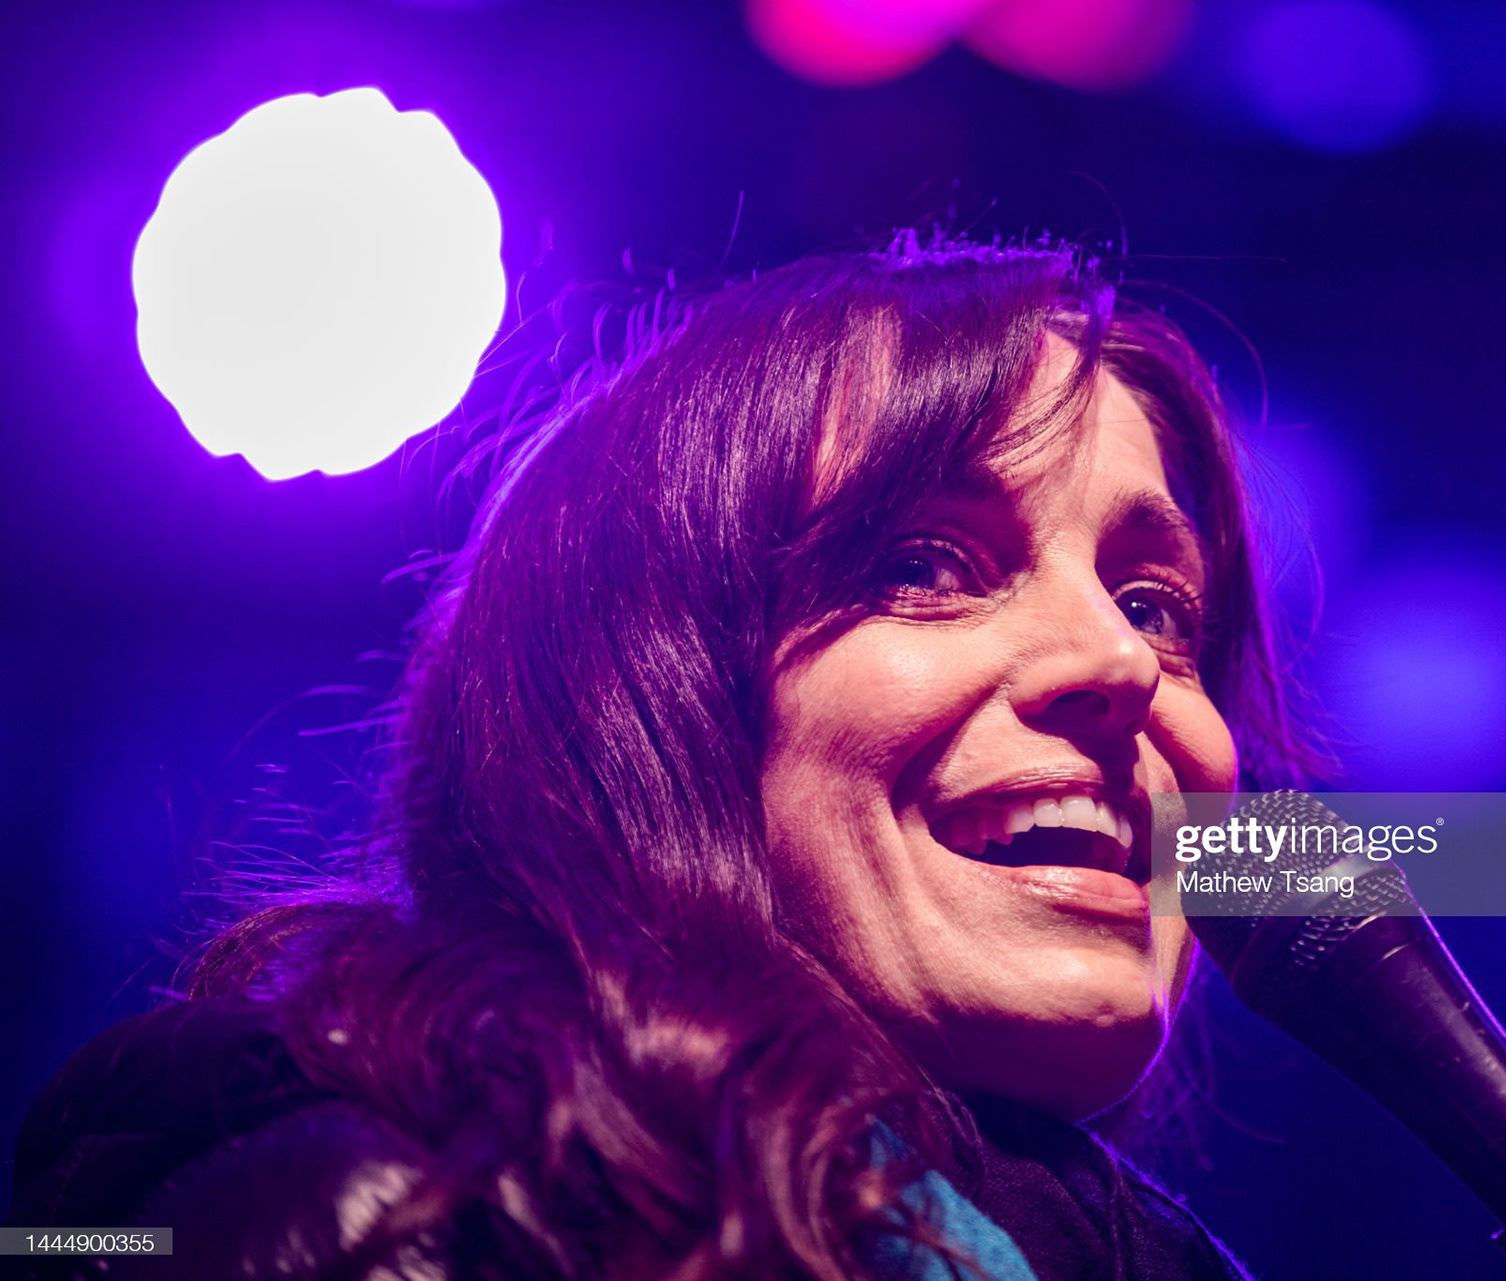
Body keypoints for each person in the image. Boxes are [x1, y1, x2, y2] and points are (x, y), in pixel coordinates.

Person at [8, 236, 1323, 1279]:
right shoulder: (380, 1215)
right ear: (648, 714)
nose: (1120, 661)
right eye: (928, 565)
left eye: (1157, 605)